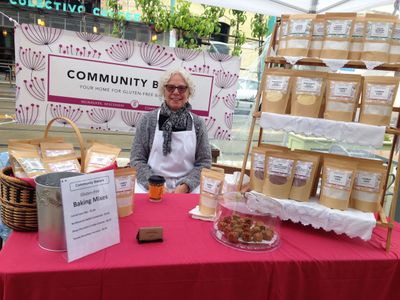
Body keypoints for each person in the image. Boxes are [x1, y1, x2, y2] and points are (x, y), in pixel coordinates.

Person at [130, 67, 212, 193]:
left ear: (189, 92)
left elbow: (204, 162)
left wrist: (185, 186)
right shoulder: (148, 120)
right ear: (164, 91)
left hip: (188, 188)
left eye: (182, 88)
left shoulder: (198, 124)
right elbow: (137, 159)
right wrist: (154, 184)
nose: (176, 92)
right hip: (150, 185)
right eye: (170, 87)